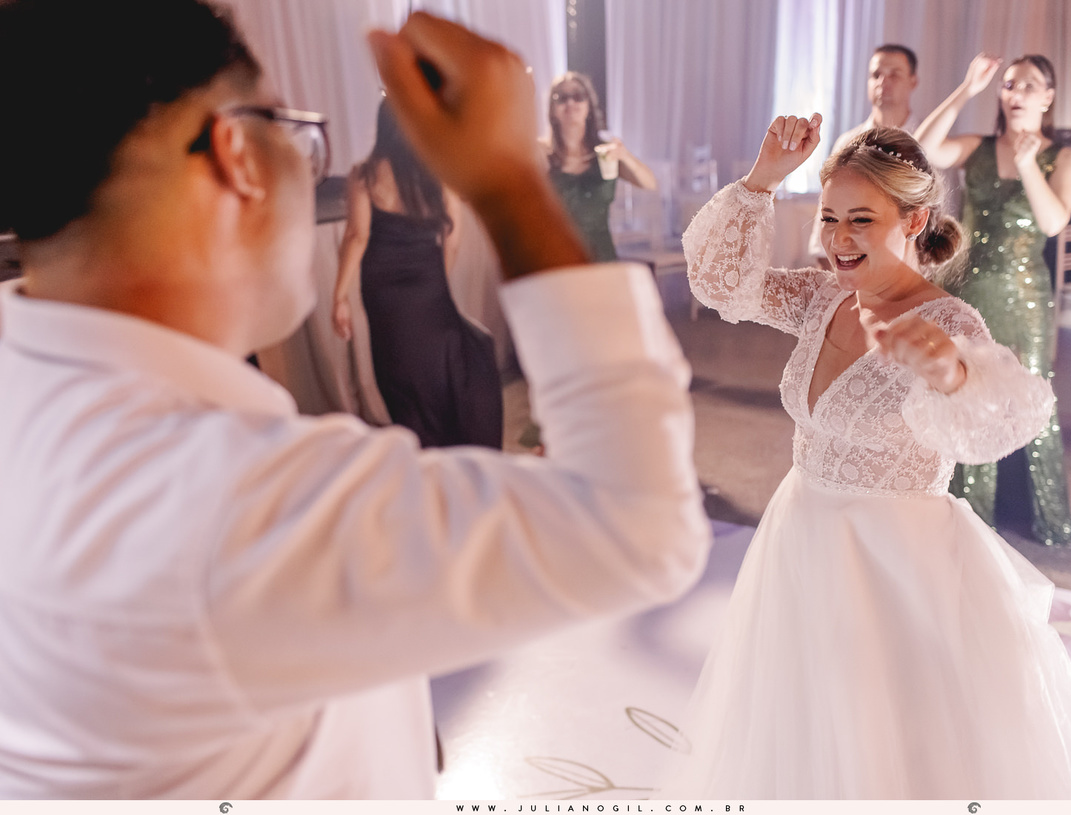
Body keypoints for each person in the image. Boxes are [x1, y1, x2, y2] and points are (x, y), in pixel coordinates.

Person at [0, 0, 709, 799]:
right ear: (237, 153)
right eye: (298, 136)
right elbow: (640, 526)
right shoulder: (219, 501)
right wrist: (508, 176)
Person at [655, 118, 1071, 798]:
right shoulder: (822, 299)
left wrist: (953, 376)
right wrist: (762, 179)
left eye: (860, 220)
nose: (839, 239)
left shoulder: (952, 325)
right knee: (802, 730)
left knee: (886, 747)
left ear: (916, 220)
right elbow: (719, 284)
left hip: (893, 570)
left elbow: (1005, 417)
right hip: (800, 542)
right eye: (828, 219)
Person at [916, 54, 1071, 545]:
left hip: (1025, 297)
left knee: (1033, 401)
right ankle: (970, 520)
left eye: (1028, 85)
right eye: (1009, 85)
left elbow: (1053, 222)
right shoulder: (979, 148)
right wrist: (966, 87)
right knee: (964, 395)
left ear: (1048, 97)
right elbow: (924, 147)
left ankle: (1045, 515)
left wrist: (1029, 163)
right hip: (965, 288)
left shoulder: (1064, 158)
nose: (1016, 93)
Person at [332, 99, 503, 449]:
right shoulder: (436, 169)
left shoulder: (364, 173)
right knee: (442, 356)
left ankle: (419, 440)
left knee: (398, 363)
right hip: (428, 281)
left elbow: (357, 236)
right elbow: (453, 233)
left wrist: (340, 296)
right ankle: (451, 439)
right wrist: (439, 276)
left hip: (381, 289)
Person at [807, 44, 921, 267]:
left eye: (894, 75)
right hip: (849, 267)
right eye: (876, 75)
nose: (882, 82)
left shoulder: (927, 142)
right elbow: (826, 213)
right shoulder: (847, 141)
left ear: (913, 81)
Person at [544, 71, 658, 263]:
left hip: (601, 258)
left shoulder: (605, 154)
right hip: (558, 259)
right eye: (562, 98)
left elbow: (650, 183)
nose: (570, 103)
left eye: (578, 96)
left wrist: (625, 155)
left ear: (588, 106)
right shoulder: (542, 155)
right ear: (553, 110)